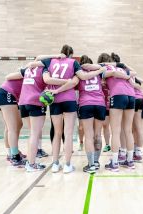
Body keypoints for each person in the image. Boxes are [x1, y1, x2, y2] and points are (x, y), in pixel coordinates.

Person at [39, 45, 106, 173]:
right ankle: (68, 165)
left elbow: (43, 73)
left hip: (55, 99)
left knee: (57, 133)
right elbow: (74, 82)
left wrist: (55, 90)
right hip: (71, 100)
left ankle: (55, 164)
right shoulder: (74, 64)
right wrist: (67, 80)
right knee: (69, 133)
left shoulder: (50, 62)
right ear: (71, 54)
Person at [18, 63, 48, 172]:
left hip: (22, 102)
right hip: (35, 101)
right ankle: (31, 164)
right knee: (35, 134)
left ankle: (30, 162)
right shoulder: (44, 68)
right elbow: (48, 81)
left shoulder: (27, 68)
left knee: (32, 134)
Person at [0, 67, 27, 167]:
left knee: (16, 125)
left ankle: (12, 152)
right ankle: (14, 156)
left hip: (10, 96)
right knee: (12, 127)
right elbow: (7, 77)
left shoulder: (40, 74)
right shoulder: (27, 71)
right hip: (6, 94)